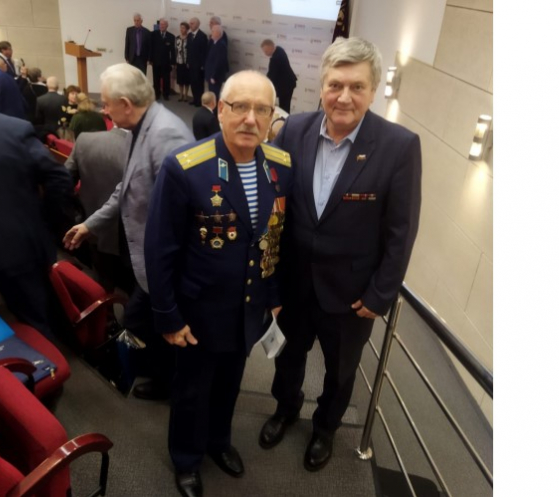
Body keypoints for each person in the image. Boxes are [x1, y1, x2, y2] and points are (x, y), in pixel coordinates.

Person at [260, 37, 422, 472]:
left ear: (373, 90)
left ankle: (325, 429)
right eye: (335, 85)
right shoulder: (293, 130)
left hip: (352, 295)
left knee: (340, 371)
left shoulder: (399, 146)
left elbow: (401, 230)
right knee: (287, 358)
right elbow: (277, 207)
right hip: (294, 284)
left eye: (356, 86)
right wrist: (270, 278)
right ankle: (285, 409)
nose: (344, 97)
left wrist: (380, 294)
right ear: (322, 86)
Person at [145, 70, 292, 497]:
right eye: (239, 106)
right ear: (220, 110)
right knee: (192, 390)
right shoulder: (185, 167)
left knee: (231, 382)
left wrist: (274, 295)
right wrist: (168, 315)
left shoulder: (280, 167)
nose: (250, 118)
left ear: (271, 116)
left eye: (261, 109)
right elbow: (161, 248)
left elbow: (274, 235)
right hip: (198, 311)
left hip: (249, 306)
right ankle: (187, 459)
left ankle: (219, 441)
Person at [62, 63, 193, 402]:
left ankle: (171, 384)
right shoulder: (140, 128)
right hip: (147, 259)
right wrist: (91, 224)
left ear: (125, 103)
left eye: (106, 104)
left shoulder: (166, 135)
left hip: (165, 262)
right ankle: (162, 375)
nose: (104, 111)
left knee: (146, 319)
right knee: (144, 321)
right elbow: (127, 187)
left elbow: (183, 213)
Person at [0, 61, 75, 338]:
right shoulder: (14, 129)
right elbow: (59, 179)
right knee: (36, 324)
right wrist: (48, 224)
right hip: (17, 249)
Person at [64, 128, 128, 291]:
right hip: (131, 238)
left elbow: (63, 183)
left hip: (92, 229)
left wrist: (77, 214)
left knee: (103, 282)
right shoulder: (147, 149)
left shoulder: (84, 139)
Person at [261, 39, 297, 113]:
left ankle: (285, 119)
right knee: (285, 105)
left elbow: (271, 76)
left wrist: (262, 83)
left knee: (284, 107)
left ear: (271, 47)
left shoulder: (275, 59)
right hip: (289, 83)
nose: (265, 54)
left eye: (266, 51)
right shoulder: (279, 49)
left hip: (286, 86)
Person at [149, 18, 176, 101]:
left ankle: (166, 94)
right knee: (156, 79)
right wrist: (150, 59)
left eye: (164, 24)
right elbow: (150, 48)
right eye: (161, 24)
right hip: (155, 61)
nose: (162, 26)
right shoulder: (153, 34)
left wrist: (173, 62)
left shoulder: (171, 36)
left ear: (167, 26)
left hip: (166, 62)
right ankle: (157, 94)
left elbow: (173, 51)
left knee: (166, 79)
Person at [186, 17, 208, 107]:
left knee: (199, 83)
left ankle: (200, 101)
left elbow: (204, 52)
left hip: (199, 65)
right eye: (190, 23)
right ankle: (195, 99)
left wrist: (203, 65)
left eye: (192, 23)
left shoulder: (202, 36)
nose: (190, 25)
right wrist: (188, 61)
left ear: (198, 24)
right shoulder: (189, 35)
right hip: (191, 64)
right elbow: (188, 50)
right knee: (193, 82)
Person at [204, 25, 228, 99]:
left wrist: (214, 76)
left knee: (214, 95)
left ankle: (214, 107)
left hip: (215, 76)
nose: (211, 33)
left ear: (217, 33)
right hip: (210, 74)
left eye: (213, 31)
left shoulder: (221, 45)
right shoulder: (214, 43)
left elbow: (219, 62)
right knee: (211, 94)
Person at [174, 22, 190, 102]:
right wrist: (175, 62)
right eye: (181, 28)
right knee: (180, 80)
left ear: (187, 29)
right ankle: (181, 95)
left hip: (187, 63)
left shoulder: (189, 38)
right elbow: (175, 50)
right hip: (179, 61)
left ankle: (186, 95)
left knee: (187, 80)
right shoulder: (177, 38)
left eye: (183, 28)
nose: (181, 29)